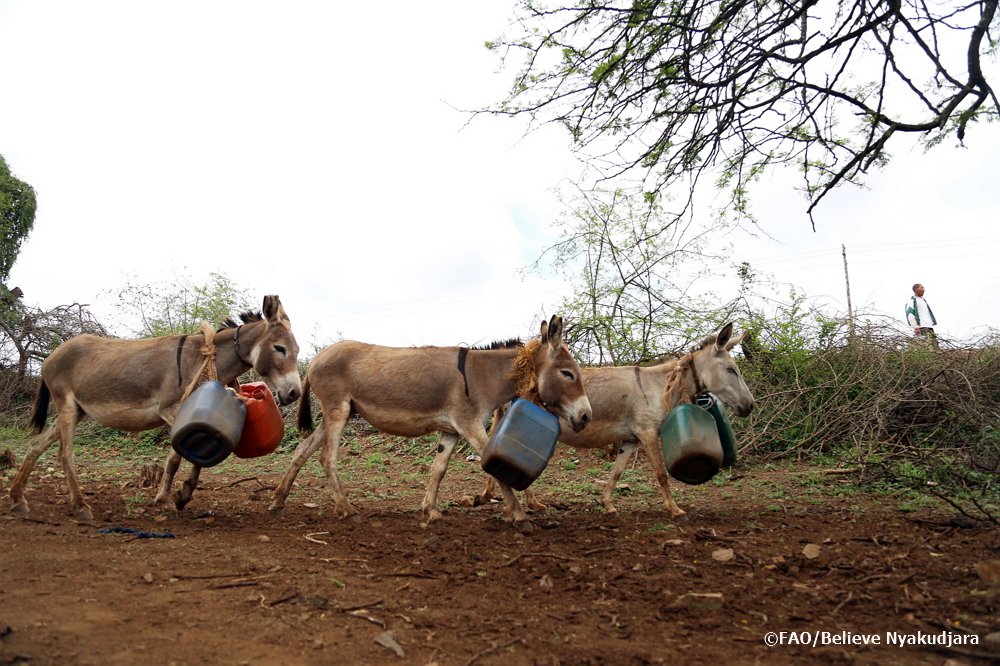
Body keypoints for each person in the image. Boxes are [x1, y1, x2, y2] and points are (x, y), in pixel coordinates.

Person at [905, 283, 938, 347]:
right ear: (915, 289)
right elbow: (910, 314)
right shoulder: (912, 301)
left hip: (929, 327)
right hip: (921, 328)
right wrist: (916, 327)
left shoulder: (924, 300)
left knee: (934, 347)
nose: (924, 289)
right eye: (921, 287)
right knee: (924, 347)